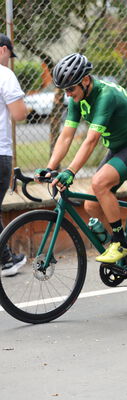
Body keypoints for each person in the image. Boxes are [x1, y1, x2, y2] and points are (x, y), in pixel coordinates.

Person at [35, 53, 127, 264]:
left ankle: (120, 243)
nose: (68, 95)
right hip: (117, 148)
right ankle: (126, 251)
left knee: (99, 184)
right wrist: (50, 167)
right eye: (65, 90)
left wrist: (70, 172)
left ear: (86, 81)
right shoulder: (77, 98)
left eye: (71, 89)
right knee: (91, 206)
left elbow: (90, 141)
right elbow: (66, 136)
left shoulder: (105, 96)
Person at [0, 34, 28, 277]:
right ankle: (6, 260)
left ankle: (6, 258)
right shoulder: (4, 74)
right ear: (3, 51)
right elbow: (19, 113)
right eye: (9, 54)